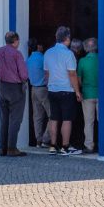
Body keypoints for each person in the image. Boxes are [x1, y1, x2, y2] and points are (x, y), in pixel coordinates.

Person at [43, 26, 82, 155]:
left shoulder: (48, 53)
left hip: (52, 90)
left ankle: (53, 146)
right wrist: (77, 91)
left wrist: (49, 86)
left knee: (54, 118)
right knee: (67, 119)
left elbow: (46, 73)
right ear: (67, 38)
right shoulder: (69, 54)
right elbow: (72, 74)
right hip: (66, 90)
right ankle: (65, 146)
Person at [0, 30, 28, 157]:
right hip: (15, 88)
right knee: (15, 119)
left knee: (4, 118)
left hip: (2, 86)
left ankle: (2, 148)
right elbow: (23, 74)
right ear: (16, 41)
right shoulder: (17, 54)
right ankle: (11, 148)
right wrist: (24, 80)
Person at [25, 37, 50, 147]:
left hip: (33, 89)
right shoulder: (43, 59)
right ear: (39, 46)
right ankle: (46, 139)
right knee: (53, 115)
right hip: (43, 89)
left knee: (37, 116)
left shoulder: (28, 60)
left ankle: (38, 140)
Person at [78, 37, 100, 153]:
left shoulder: (82, 61)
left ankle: (89, 145)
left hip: (87, 94)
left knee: (89, 122)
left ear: (85, 48)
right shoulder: (102, 58)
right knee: (102, 120)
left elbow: (79, 80)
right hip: (101, 94)